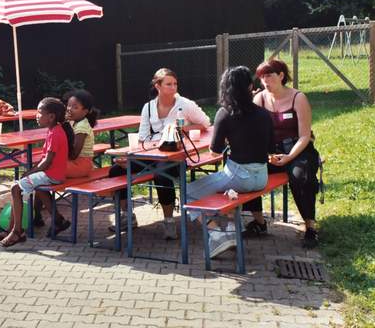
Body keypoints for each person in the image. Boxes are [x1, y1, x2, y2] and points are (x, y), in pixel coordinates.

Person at [108, 68, 210, 239]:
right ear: (157, 86)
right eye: (169, 84)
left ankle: (169, 221)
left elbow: (205, 123)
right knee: (116, 170)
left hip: (176, 156)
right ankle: (127, 215)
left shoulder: (185, 104)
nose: (173, 87)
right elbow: (142, 137)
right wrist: (131, 157)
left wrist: (181, 129)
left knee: (161, 174)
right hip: (151, 154)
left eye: (175, 83)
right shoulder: (148, 107)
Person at [184, 66, 275, 258]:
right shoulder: (264, 114)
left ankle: (217, 234)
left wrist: (228, 140)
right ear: (250, 87)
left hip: (238, 176)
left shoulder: (225, 113)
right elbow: (270, 146)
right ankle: (233, 228)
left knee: (188, 192)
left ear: (225, 88)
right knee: (226, 191)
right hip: (262, 177)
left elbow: (214, 151)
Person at [242, 58, 321, 248]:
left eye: (269, 76)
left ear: (281, 75)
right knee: (246, 171)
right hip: (271, 151)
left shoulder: (298, 98)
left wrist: (289, 157)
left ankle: (310, 227)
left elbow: (305, 136)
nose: (265, 81)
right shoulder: (260, 99)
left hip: (298, 149)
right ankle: (259, 222)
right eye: (262, 77)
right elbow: (253, 132)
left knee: (300, 177)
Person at [0, 97, 73, 247]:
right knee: (35, 188)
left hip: (51, 175)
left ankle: (17, 231)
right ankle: (57, 220)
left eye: (39, 112)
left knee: (15, 188)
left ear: (51, 117)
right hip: (54, 174)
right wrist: (33, 172)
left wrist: (30, 172)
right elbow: (46, 159)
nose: (37, 115)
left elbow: (47, 162)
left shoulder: (55, 133)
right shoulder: (54, 130)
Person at [32, 89, 99, 234]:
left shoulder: (82, 126)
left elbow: (74, 155)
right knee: (39, 174)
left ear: (85, 111)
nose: (70, 109)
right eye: (68, 105)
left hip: (81, 165)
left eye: (75, 107)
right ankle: (37, 216)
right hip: (73, 164)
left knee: (41, 174)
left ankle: (55, 219)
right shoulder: (72, 122)